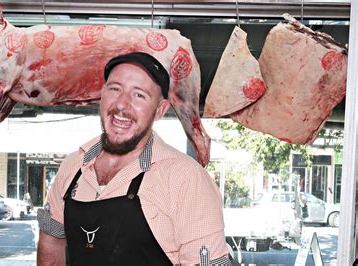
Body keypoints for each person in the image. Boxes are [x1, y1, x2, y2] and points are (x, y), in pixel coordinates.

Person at [37, 52, 230, 265]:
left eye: (139, 95)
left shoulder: (185, 178)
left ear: (159, 110)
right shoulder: (73, 166)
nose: (121, 104)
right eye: (115, 89)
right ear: (102, 95)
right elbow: (52, 239)